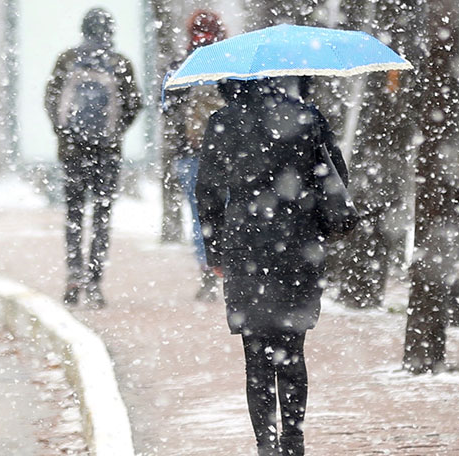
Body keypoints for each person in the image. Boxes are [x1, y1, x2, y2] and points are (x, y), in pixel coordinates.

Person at [196, 77, 348, 456]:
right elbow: (337, 178)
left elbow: (208, 191)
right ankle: (293, 441)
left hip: (246, 249)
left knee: (256, 354)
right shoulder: (306, 117)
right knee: (293, 351)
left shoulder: (223, 121)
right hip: (299, 246)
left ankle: (266, 444)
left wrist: (215, 252)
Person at [44, 8, 142, 308]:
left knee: (74, 215)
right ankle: (96, 281)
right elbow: (135, 104)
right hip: (106, 153)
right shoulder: (119, 63)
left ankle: (74, 274)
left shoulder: (67, 60)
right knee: (102, 216)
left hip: (73, 152)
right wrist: (114, 133)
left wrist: (65, 134)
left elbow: (51, 99)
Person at [162, 10, 227, 302]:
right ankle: (233, 267)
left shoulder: (181, 66)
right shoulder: (230, 65)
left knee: (200, 216)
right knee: (230, 212)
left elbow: (166, 105)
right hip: (227, 155)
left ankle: (207, 271)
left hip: (190, 153)